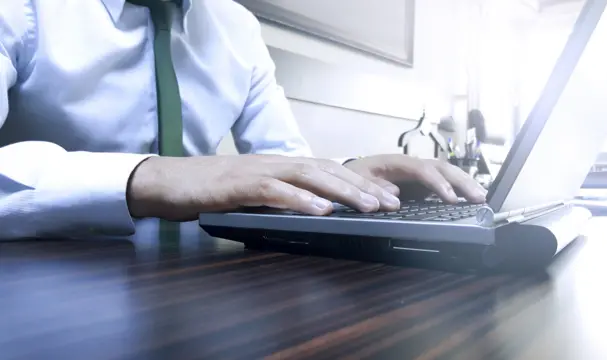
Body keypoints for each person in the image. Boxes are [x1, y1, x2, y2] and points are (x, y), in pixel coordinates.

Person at [0, 0, 486, 240]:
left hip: (196, 287)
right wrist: (149, 176)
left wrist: (346, 175)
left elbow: (285, 165)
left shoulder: (235, 25)